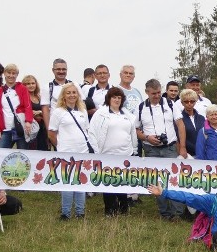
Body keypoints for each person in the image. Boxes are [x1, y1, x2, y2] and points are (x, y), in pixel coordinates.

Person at [137, 78, 184, 221]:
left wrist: (182, 147)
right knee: (156, 181)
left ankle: (177, 214)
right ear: (147, 92)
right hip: (151, 149)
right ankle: (164, 213)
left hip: (170, 148)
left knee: (174, 180)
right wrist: (147, 138)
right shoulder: (141, 108)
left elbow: (180, 125)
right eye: (153, 93)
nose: (157, 96)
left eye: (158, 92)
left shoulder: (170, 104)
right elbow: (136, 130)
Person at [89, 87, 138, 216]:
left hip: (125, 154)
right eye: (114, 97)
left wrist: (135, 150)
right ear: (109, 99)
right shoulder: (100, 114)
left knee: (123, 182)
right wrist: (96, 151)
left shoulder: (128, 115)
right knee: (108, 182)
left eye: (119, 98)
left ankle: (124, 207)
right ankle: (109, 209)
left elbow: (133, 135)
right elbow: (92, 132)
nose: (117, 100)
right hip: (107, 154)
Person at [47, 83, 90, 219]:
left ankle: (80, 212)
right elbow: (51, 133)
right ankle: (65, 213)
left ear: (78, 95)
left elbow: (87, 130)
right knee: (67, 182)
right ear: (64, 96)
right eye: (68, 93)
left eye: (74, 92)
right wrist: (61, 147)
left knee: (80, 182)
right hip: (66, 152)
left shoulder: (83, 111)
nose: (72, 95)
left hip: (82, 151)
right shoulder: (58, 112)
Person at [0, 63, 33, 150]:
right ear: (4, 74)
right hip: (6, 128)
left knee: (22, 154)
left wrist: (28, 121)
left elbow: (27, 106)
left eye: (13, 73)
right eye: (9, 73)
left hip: (20, 127)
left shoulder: (22, 88)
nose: (11, 75)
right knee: (0, 152)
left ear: (17, 75)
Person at [42, 58, 71, 136]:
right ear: (53, 70)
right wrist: (49, 131)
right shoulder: (47, 87)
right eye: (58, 69)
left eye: (63, 69)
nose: (61, 71)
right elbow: (45, 110)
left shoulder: (74, 85)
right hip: (56, 127)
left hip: (72, 126)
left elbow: (82, 106)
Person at [175, 88, 206, 159]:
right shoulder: (179, 119)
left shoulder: (201, 118)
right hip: (187, 155)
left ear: (195, 102)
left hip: (202, 153)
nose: (189, 104)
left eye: (192, 101)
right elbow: (177, 138)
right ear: (182, 103)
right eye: (186, 101)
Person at [22, 74, 47, 150]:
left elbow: (46, 112)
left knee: (43, 149)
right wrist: (31, 113)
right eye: (28, 84)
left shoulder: (39, 97)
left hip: (42, 128)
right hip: (31, 128)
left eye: (33, 83)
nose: (31, 85)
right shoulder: (22, 97)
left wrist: (39, 112)